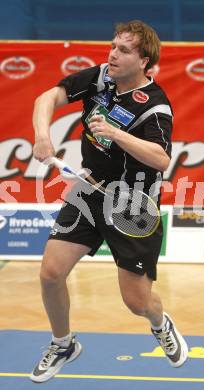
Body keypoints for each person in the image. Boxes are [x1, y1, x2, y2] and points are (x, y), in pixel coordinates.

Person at [30, 20, 188, 383]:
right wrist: (42, 136)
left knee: (136, 302)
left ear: (145, 61)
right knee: (51, 273)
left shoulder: (156, 107)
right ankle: (63, 342)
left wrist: (116, 133)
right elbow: (47, 97)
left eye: (124, 50)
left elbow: (161, 159)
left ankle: (159, 324)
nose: (113, 55)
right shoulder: (101, 77)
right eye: (113, 46)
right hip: (89, 188)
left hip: (133, 204)